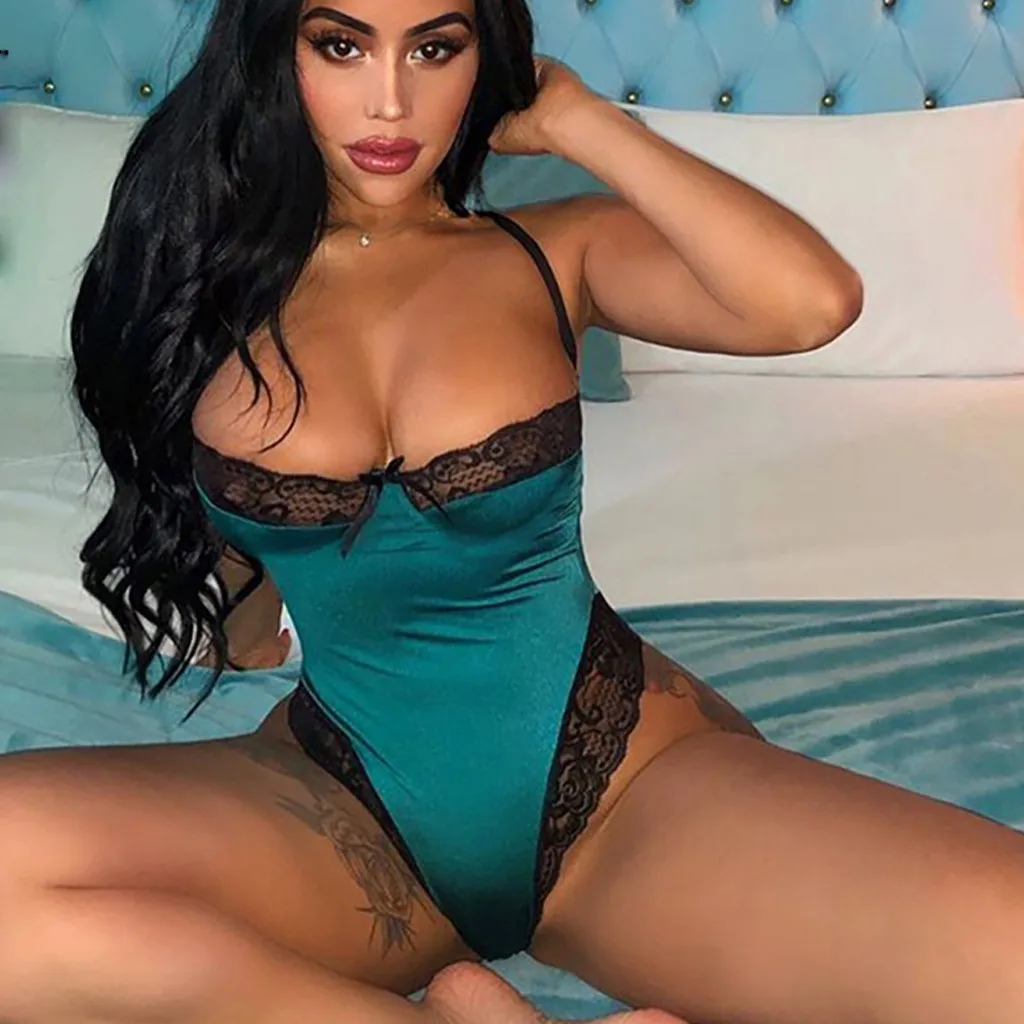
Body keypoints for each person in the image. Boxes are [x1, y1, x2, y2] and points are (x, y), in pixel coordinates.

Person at [4, 0, 1023, 1021]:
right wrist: (237, 612)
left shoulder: (552, 253)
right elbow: (232, 562)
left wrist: (584, 123)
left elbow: (809, 302)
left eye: (435, 48)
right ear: (277, 54)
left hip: (621, 789)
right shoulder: (203, 299)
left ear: (482, 61)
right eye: (342, 45)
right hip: (345, 809)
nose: (391, 100)